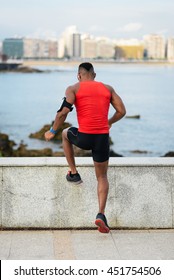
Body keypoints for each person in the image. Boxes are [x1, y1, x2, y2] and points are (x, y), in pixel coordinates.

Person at [45, 62, 126, 233]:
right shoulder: (108, 88)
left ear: (79, 75)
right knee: (102, 177)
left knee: (66, 133)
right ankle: (101, 214)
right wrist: (108, 122)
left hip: (84, 137)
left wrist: (52, 131)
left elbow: (63, 113)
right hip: (102, 139)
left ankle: (73, 173)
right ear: (94, 75)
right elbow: (121, 111)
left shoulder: (73, 88)